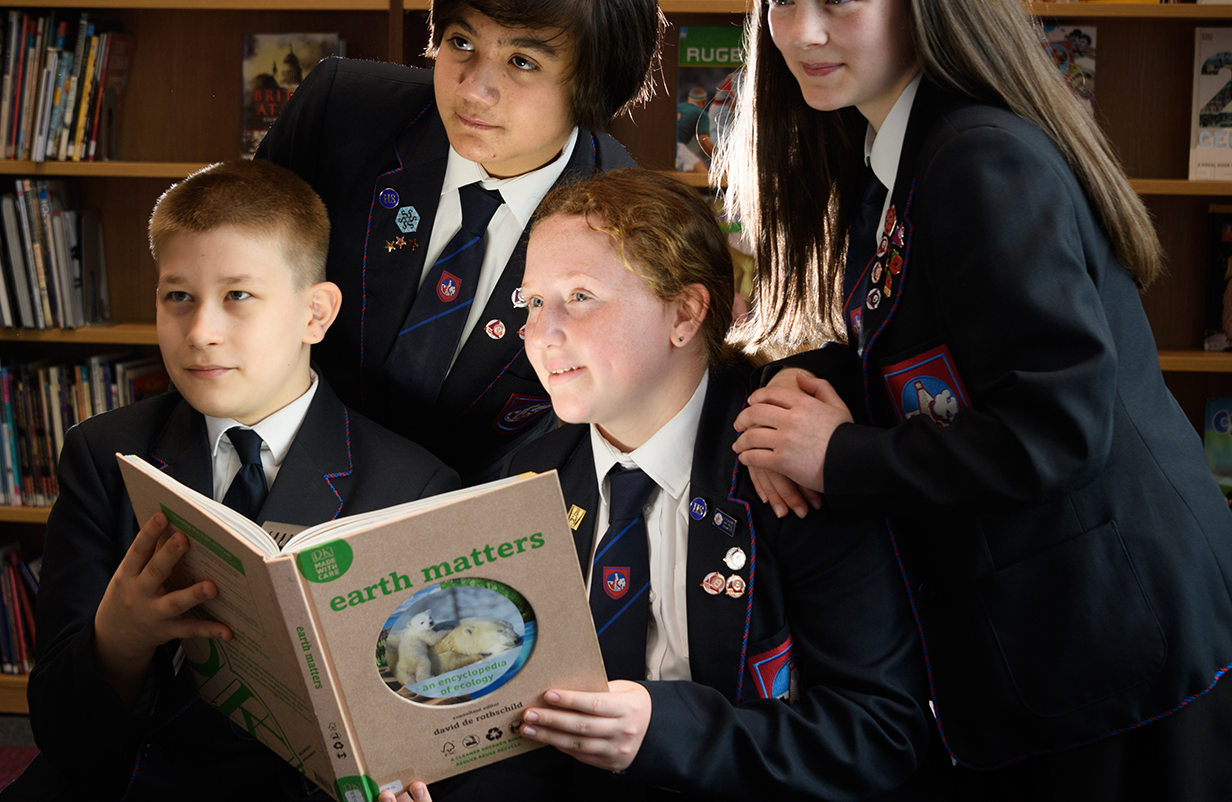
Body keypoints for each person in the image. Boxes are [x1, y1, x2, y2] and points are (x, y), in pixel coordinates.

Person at [719, 0, 1232, 801]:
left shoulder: (977, 159)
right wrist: (804, 388)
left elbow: (1055, 429)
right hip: (1070, 637)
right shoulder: (889, 144)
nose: (800, 30)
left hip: (1126, 651)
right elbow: (921, 342)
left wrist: (839, 456)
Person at [390, 169, 930, 802]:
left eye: (581, 296)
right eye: (532, 302)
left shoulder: (791, 471)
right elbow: (512, 728)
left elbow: (882, 733)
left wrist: (667, 733)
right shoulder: (520, 482)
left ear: (685, 313)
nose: (540, 333)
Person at [8, 161, 459, 800]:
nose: (200, 333)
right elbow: (61, 731)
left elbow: (428, 721)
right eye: (177, 296)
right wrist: (119, 639)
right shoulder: (104, 454)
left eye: (238, 296)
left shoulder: (413, 488)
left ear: (316, 313)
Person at [255, 0, 663, 483]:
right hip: (276, 470)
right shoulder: (339, 112)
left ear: (595, 85)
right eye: (461, 42)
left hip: (467, 526)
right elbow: (230, 282)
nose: (473, 88)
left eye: (522, 61)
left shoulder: (627, 229)